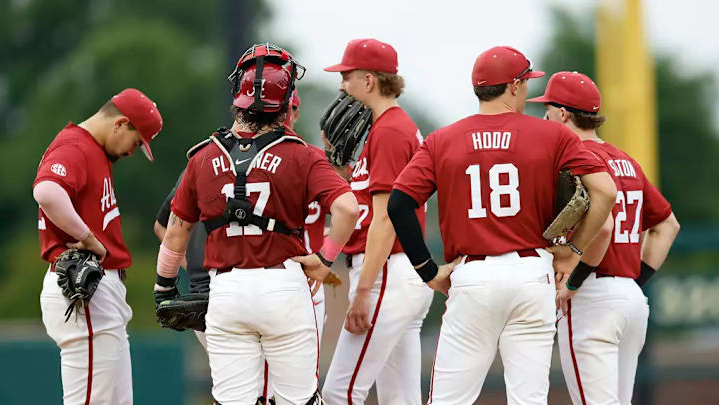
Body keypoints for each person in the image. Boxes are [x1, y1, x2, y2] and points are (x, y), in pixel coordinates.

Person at [387, 46, 618, 405]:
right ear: (513, 86)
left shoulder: (442, 139)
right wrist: (573, 252)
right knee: (529, 399)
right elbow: (605, 191)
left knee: (448, 400)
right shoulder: (553, 136)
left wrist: (428, 271)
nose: (526, 89)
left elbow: (399, 204)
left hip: (473, 276)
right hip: (532, 275)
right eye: (525, 82)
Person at [153, 43, 359, 405]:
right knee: (299, 400)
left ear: (238, 94)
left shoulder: (202, 156)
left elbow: (174, 231)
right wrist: (325, 259)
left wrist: (164, 287)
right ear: (285, 105)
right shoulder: (303, 154)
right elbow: (347, 208)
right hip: (283, 286)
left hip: (227, 291)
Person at [528, 71, 680, 405]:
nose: (545, 115)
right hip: (630, 299)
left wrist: (572, 284)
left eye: (549, 109)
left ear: (563, 113)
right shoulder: (626, 161)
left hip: (589, 293)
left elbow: (605, 224)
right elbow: (668, 226)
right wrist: (635, 282)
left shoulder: (572, 158)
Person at [321, 38, 433, 405]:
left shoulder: (388, 132)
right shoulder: (392, 128)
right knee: (399, 399)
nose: (342, 85)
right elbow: (369, 204)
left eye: (347, 76)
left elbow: (385, 219)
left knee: (340, 392)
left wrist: (364, 290)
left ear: (369, 81)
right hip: (398, 274)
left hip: (387, 272)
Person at [34, 88, 163, 404]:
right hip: (85, 290)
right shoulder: (75, 146)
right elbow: (47, 191)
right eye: (135, 142)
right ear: (120, 123)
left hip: (99, 295)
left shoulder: (92, 151)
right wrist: (88, 237)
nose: (132, 152)